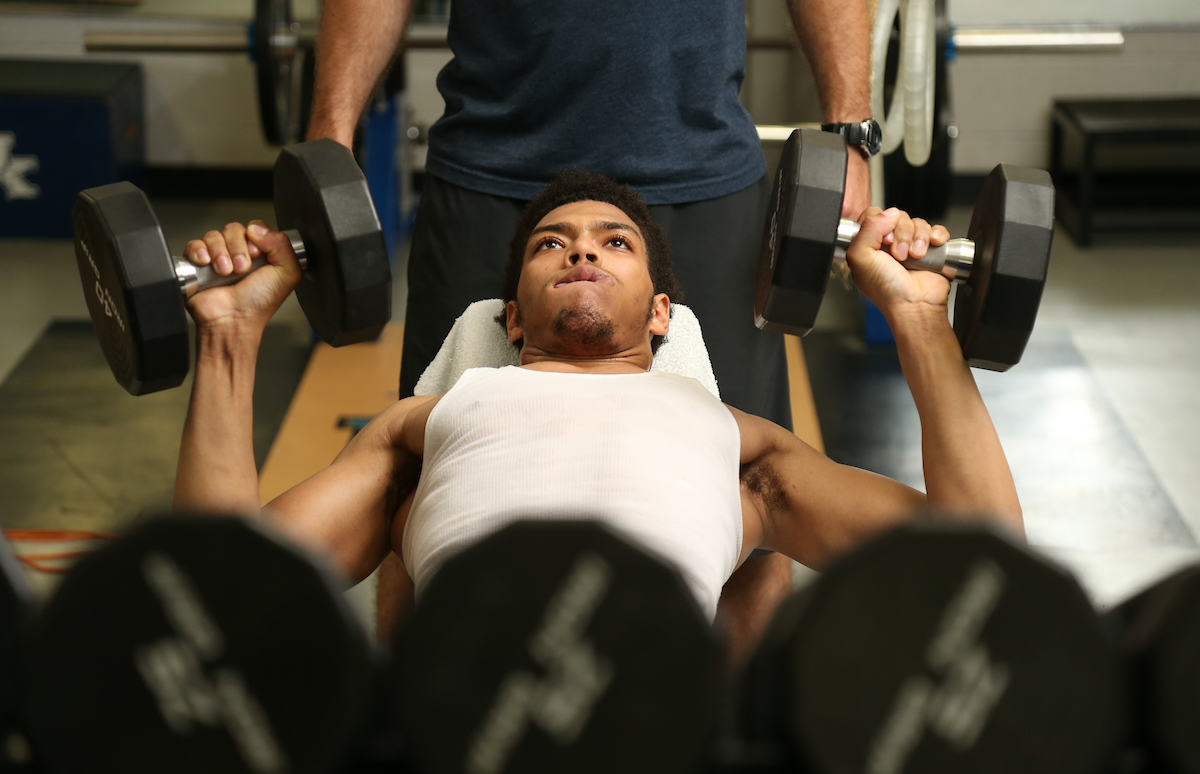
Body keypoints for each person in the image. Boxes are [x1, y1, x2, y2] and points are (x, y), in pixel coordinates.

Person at [173, 170, 1023, 666]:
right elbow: (223, 594)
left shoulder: (737, 444)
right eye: (552, 243)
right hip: (464, 717)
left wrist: (918, 319)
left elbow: (980, 560)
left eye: (614, 242)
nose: (581, 248)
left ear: (662, 316)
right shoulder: (428, 425)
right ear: (508, 319)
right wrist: (228, 335)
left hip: (642, 732)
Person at [307, 0, 875, 647]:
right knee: (421, 480)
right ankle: (411, 724)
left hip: (700, 172)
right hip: (492, 166)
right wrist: (331, 129)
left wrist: (851, 130)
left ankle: (732, 736)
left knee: (755, 500)